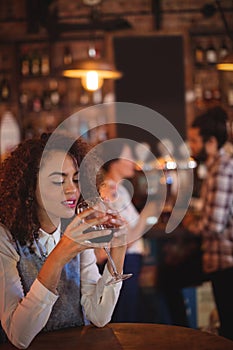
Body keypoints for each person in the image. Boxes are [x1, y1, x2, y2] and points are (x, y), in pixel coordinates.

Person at [0, 132, 127, 349]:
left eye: (77, 179)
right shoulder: (6, 237)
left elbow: (99, 315)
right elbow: (19, 336)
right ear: (30, 186)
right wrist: (59, 256)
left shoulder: (75, 227)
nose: (72, 190)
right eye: (59, 180)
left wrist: (119, 247)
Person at [184, 106, 233, 340]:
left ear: (211, 141)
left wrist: (190, 224)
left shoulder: (222, 170)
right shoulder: (215, 168)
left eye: (195, 140)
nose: (191, 145)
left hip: (226, 260)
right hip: (219, 258)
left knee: (229, 327)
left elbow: (214, 225)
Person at [98, 140, 156, 323]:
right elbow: (121, 239)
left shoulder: (120, 189)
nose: (133, 161)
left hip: (130, 261)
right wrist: (147, 214)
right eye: (129, 156)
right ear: (114, 161)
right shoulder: (110, 191)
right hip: (124, 262)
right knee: (125, 318)